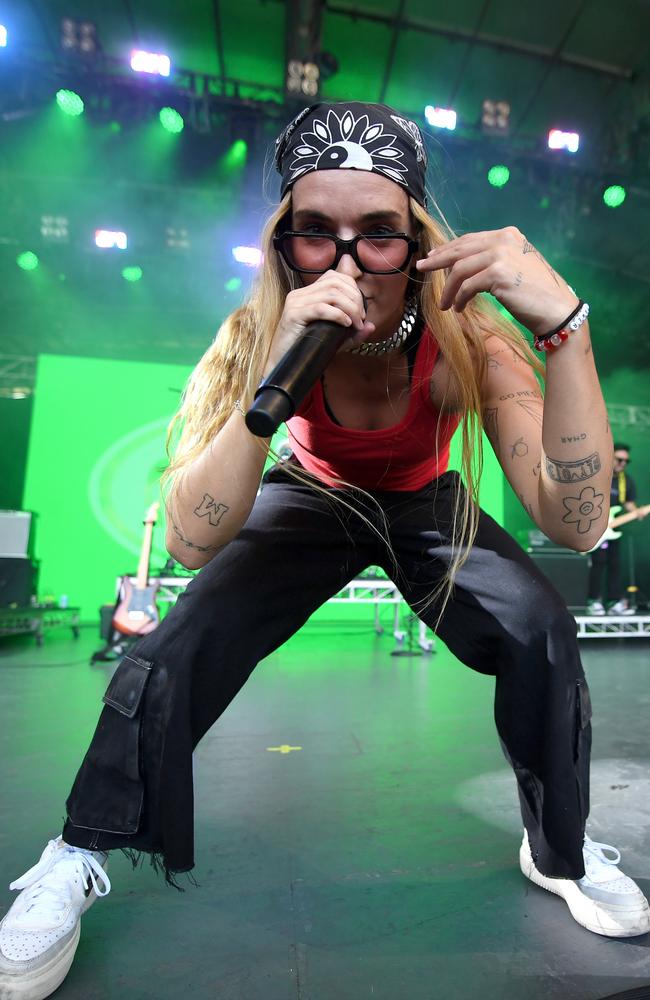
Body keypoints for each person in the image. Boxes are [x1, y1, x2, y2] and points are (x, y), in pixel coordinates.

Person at [2, 101, 649, 1000]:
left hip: (424, 502)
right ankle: (77, 851)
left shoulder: (469, 331)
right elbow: (190, 541)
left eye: (378, 235)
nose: (348, 260)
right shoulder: (256, 333)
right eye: (318, 233)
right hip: (311, 495)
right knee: (173, 646)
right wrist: (276, 358)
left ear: (417, 240)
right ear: (286, 246)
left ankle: (563, 854)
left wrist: (566, 330)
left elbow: (576, 523)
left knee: (542, 628)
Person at [587, 442, 645, 614]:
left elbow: (628, 504)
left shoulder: (626, 481)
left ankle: (613, 601)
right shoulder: (598, 475)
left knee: (615, 565)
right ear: (610, 457)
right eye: (619, 459)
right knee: (598, 564)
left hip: (614, 530)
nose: (622, 464)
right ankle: (593, 600)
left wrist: (637, 512)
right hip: (596, 529)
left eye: (626, 461)